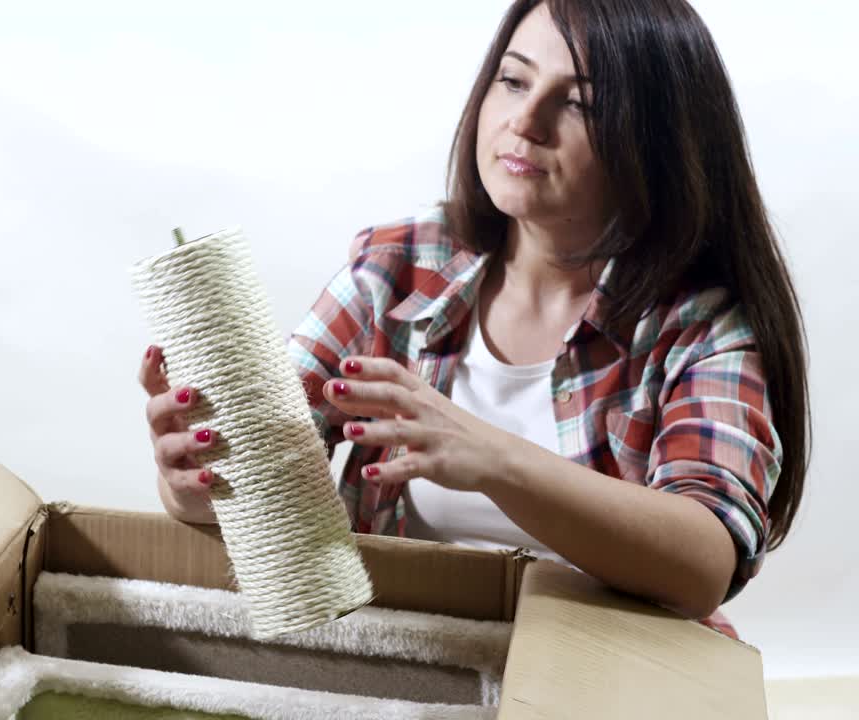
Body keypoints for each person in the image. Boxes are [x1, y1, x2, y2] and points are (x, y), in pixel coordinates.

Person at [137, 0, 809, 639]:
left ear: (662, 141)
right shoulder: (396, 268)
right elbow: (258, 479)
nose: (526, 121)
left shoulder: (699, 324)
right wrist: (193, 485)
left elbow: (703, 563)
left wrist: (493, 459)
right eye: (513, 81)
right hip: (416, 663)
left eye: (578, 102)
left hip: (604, 677)